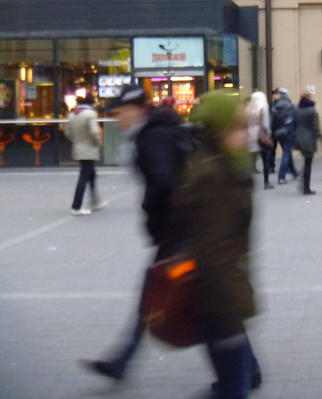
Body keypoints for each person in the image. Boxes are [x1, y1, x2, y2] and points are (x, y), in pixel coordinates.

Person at [81, 84, 190, 382]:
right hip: (184, 226)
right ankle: (120, 361)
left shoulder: (152, 137)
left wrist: (148, 207)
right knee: (195, 295)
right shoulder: (157, 131)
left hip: (179, 229)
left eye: (122, 112)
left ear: (138, 109)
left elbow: (164, 183)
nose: (119, 119)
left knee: (160, 293)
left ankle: (120, 361)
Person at [169, 90, 262, 399]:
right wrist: (231, 306)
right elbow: (213, 252)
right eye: (239, 127)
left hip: (218, 298)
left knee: (232, 384)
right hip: (219, 302)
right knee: (235, 388)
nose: (246, 134)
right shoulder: (214, 176)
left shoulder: (218, 165)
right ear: (219, 130)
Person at [66, 95, 106, 215]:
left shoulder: (72, 114)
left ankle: (95, 201)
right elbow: (95, 131)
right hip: (89, 148)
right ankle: (76, 206)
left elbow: (68, 132)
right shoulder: (90, 114)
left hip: (78, 146)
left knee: (91, 173)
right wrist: (99, 143)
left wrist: (77, 141)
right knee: (84, 176)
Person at [294, 90, 322, 195]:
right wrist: (321, 139)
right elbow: (316, 127)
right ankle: (306, 188)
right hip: (309, 139)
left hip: (299, 139)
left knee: (306, 162)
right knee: (308, 164)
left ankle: (303, 183)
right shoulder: (311, 110)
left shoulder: (296, 109)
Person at [246, 91, 273, 190]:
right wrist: (268, 134)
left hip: (250, 134)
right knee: (265, 159)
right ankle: (266, 182)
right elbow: (266, 124)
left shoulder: (248, 109)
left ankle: (248, 182)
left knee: (251, 159)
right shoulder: (263, 109)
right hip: (260, 134)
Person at [271, 88, 297, 185]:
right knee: (286, 153)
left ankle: (294, 172)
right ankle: (281, 177)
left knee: (287, 152)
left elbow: (272, 122)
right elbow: (296, 119)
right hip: (288, 130)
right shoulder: (291, 106)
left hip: (278, 132)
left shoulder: (274, 107)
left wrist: (273, 133)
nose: (275, 96)